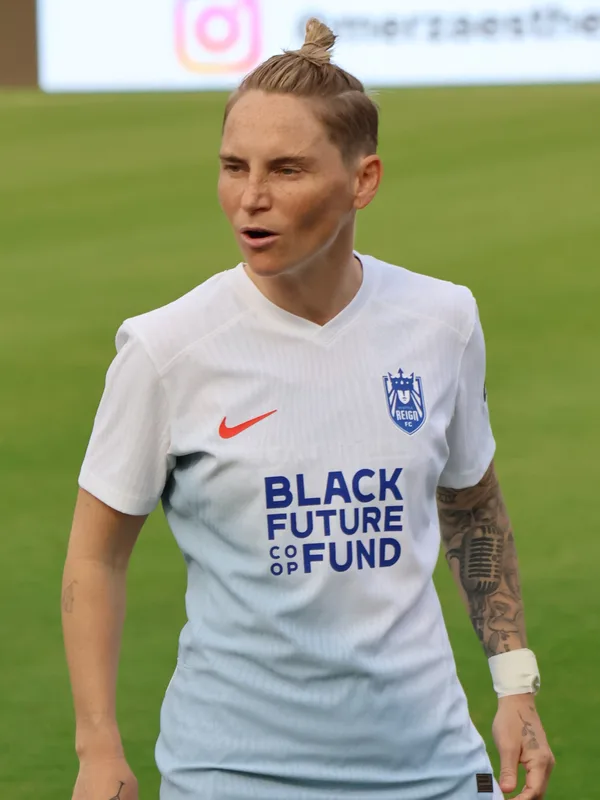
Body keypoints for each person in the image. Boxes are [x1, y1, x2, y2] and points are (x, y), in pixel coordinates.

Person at [63, 18, 554, 800]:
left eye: (286, 170)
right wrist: (98, 749)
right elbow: (97, 556)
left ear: (364, 180)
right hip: (234, 775)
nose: (250, 199)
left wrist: (515, 683)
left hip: (432, 769)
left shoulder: (443, 320)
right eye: (234, 167)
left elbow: (472, 506)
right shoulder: (166, 349)